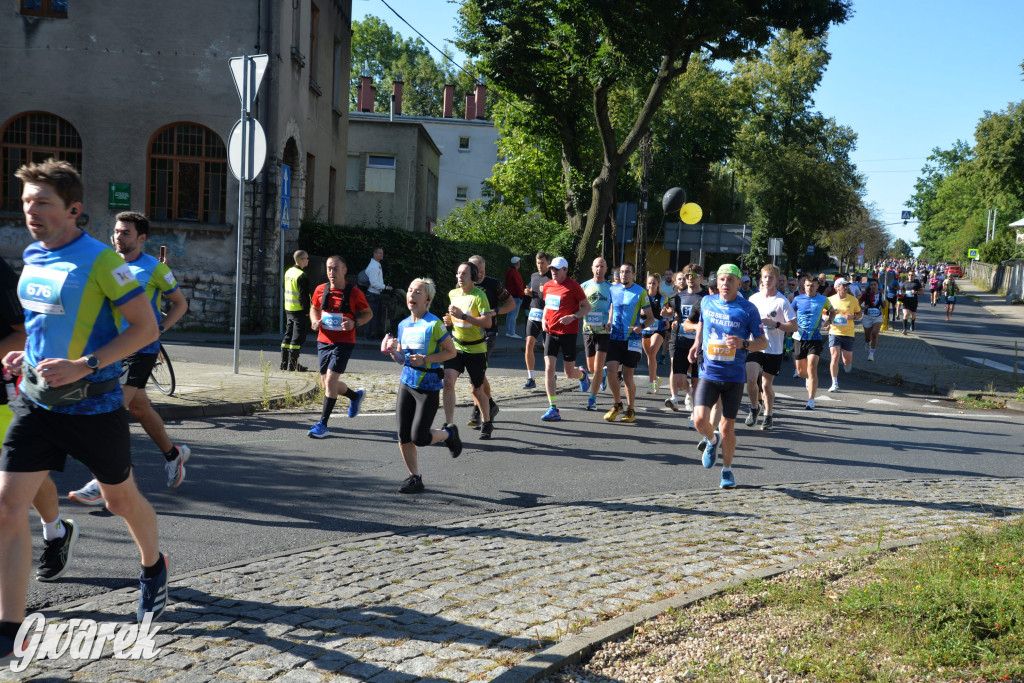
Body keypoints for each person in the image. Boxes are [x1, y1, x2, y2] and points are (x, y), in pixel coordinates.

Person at [1, 160, 167, 646]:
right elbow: (41, 325)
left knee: (121, 500)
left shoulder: (103, 262)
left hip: (93, 408)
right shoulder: (33, 255)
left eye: (43, 202)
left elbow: (145, 329)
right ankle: (11, 628)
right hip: (36, 405)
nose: (31, 210)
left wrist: (84, 364)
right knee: (8, 505)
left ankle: (154, 567)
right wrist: (25, 357)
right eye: (27, 200)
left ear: (73, 210)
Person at [68, 211, 191, 506]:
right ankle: (174, 455)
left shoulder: (154, 269)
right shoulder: (106, 264)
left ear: (142, 238)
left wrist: (158, 328)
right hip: (110, 347)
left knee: (112, 409)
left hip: (140, 349)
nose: (117, 237)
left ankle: (104, 479)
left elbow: (180, 304)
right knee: (139, 407)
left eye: (125, 233)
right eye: (116, 231)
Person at [688, 264, 767, 488]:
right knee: (699, 420)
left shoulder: (748, 309)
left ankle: (727, 471)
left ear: (739, 284)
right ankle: (712, 440)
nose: (724, 284)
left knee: (727, 427)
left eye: (730, 280)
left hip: (733, 377)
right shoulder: (706, 301)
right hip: (708, 372)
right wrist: (696, 344)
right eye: (722, 279)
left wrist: (744, 343)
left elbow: (763, 342)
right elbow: (702, 322)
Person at [384, 278, 460, 494]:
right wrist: (391, 351)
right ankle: (414, 478)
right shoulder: (403, 324)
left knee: (420, 437)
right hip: (406, 383)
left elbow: (451, 352)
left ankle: (449, 435)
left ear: (427, 299)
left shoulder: (434, 324)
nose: (411, 295)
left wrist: (426, 358)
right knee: (403, 435)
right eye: (409, 290)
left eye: (417, 292)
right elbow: (401, 359)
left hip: (427, 386)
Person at [308, 255, 370, 438]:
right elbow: (314, 308)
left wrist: (354, 323)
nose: (331, 272)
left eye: (335, 268)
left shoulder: (355, 293)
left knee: (330, 381)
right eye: (328, 268)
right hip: (324, 341)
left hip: (344, 342)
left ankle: (323, 424)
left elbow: (368, 313)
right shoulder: (321, 289)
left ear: (344, 270)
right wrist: (314, 321)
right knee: (326, 383)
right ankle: (354, 396)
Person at [442, 262, 495, 439]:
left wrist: (463, 316)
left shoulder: (479, 296)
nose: (460, 276)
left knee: (476, 390)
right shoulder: (453, 293)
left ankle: (487, 422)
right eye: (458, 273)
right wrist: (449, 320)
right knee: (448, 382)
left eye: (464, 273)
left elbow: (487, 323)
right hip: (456, 346)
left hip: (476, 348)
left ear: (472, 277)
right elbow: (454, 318)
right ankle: (449, 424)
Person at [744, 264, 796, 429]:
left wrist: (777, 324)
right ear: (761, 278)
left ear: (777, 280)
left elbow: (794, 326)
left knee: (766, 385)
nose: (767, 280)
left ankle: (768, 414)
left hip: (774, 348)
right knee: (751, 379)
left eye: (771, 278)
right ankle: (754, 408)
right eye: (765, 277)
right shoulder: (753, 299)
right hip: (755, 345)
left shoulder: (782, 301)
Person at [539, 257, 591, 421]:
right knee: (549, 369)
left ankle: (582, 374)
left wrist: (573, 316)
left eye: (557, 269)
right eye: (552, 268)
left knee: (569, 373)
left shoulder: (574, 286)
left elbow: (587, 307)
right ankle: (553, 407)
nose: (553, 271)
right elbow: (547, 305)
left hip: (568, 333)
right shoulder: (547, 286)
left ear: (565, 270)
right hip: (551, 332)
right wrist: (543, 320)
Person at [466, 255, 514, 429]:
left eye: (482, 271)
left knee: (477, 371)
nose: (479, 275)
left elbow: (511, 304)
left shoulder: (494, 284)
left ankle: (478, 410)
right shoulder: (463, 284)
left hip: (488, 334)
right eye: (476, 271)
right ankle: (490, 405)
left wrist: (495, 311)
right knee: (477, 372)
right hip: (468, 336)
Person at [604, 262, 654, 423]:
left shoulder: (640, 292)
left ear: (633, 275)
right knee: (611, 371)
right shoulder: (613, 289)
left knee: (627, 376)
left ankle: (630, 409)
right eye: (622, 272)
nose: (624, 275)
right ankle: (617, 404)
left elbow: (651, 318)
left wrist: (641, 326)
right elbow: (612, 307)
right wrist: (609, 321)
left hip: (632, 339)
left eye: (628, 272)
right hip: (615, 337)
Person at [666, 264, 706, 412]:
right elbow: (677, 316)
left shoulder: (706, 297)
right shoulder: (678, 297)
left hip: (698, 343)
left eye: (694, 276)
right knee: (679, 380)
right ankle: (689, 393)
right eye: (688, 276)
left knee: (696, 380)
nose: (690, 279)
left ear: (701, 278)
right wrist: (675, 322)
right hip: (681, 341)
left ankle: (694, 415)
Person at [791, 276, 834, 409]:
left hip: (815, 338)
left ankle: (811, 400)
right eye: (807, 285)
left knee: (812, 367)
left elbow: (832, 311)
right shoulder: (797, 299)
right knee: (801, 372)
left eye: (812, 285)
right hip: (799, 338)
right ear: (804, 286)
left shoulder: (823, 300)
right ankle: (807, 379)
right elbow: (790, 314)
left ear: (817, 286)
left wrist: (829, 321)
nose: (809, 288)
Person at [581, 257, 612, 411]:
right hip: (588, 330)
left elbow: (614, 306)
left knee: (598, 366)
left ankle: (592, 399)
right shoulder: (584, 286)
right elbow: (578, 304)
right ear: (592, 268)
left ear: (606, 269)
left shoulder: (610, 288)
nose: (599, 269)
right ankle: (600, 376)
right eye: (596, 266)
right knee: (592, 368)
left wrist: (610, 321)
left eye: (602, 266)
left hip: (604, 331)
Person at [826, 277, 862, 393]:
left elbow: (860, 314)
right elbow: (823, 314)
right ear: (837, 287)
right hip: (834, 332)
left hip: (848, 333)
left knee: (847, 360)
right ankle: (834, 383)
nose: (846, 287)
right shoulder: (829, 300)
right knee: (834, 356)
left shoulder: (853, 300)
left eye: (847, 286)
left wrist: (854, 317)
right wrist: (826, 319)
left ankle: (847, 363)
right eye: (844, 285)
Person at [521, 252, 551, 389]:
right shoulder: (533, 276)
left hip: (548, 314)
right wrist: (528, 292)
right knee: (529, 343)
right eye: (538, 263)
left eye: (542, 263)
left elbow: (557, 295)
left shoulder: (553, 276)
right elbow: (534, 292)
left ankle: (550, 372)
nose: (540, 265)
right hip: (534, 312)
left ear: (548, 263)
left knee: (547, 346)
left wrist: (545, 292)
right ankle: (530, 378)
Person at [281, 249, 311, 371]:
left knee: (288, 336)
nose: (308, 260)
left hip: (288, 308)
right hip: (299, 310)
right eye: (307, 258)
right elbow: (303, 296)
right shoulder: (302, 276)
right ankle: (293, 366)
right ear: (302, 260)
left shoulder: (289, 272)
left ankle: (284, 364)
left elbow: (284, 286)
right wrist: (307, 311)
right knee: (297, 338)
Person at [642, 273, 667, 393]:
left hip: (658, 329)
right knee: (650, 357)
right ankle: (656, 378)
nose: (651, 285)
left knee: (652, 354)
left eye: (654, 283)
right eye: (649, 283)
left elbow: (669, 311)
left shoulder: (662, 298)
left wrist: (666, 317)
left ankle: (652, 384)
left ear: (658, 285)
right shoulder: (642, 297)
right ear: (646, 284)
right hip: (645, 330)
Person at [363, 246, 392, 339]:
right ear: (374, 254)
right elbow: (374, 283)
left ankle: (373, 335)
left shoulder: (376, 265)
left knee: (375, 316)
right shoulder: (374, 266)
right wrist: (386, 287)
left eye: (382, 253)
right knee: (371, 316)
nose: (382, 255)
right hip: (372, 294)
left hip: (375, 294)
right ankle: (368, 336)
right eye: (380, 253)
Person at [859, 279, 884, 361]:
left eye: (875, 285)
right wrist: (863, 307)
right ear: (869, 286)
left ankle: (871, 354)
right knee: (867, 337)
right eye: (871, 285)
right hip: (867, 316)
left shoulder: (881, 294)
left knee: (875, 333)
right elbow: (857, 303)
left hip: (878, 316)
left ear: (878, 286)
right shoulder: (866, 294)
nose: (873, 286)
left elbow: (883, 305)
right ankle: (867, 343)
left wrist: (884, 304)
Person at [504, 256, 524, 338]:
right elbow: (518, 285)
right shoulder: (515, 272)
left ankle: (508, 331)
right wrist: (521, 295)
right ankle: (512, 332)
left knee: (509, 314)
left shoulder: (509, 271)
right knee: (513, 315)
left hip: (509, 296)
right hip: (516, 296)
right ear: (517, 263)